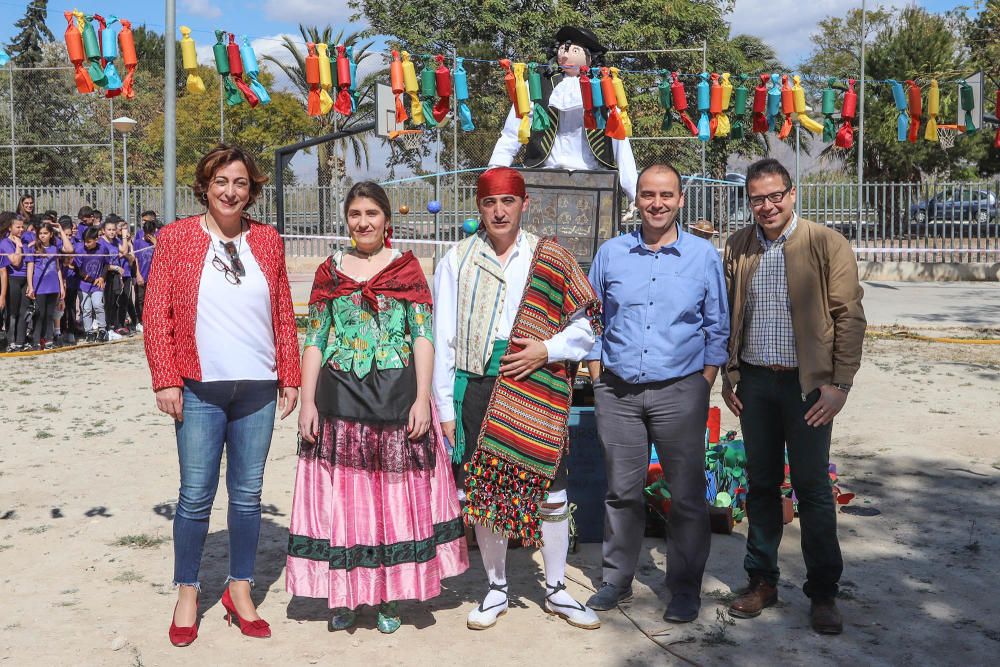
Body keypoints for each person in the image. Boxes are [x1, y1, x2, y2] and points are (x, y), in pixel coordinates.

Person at [287, 181, 468, 634]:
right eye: (355, 214)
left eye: (371, 213)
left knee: (390, 504)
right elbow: (315, 339)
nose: (363, 222)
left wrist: (423, 397)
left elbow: (422, 336)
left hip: (394, 399)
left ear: (387, 218)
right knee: (345, 504)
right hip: (339, 400)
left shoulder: (407, 269)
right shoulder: (329, 271)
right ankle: (346, 596)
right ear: (345, 219)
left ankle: (388, 595)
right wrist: (308, 400)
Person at [143, 144, 301, 647]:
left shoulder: (269, 240)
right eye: (221, 182)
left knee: (249, 496)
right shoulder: (177, 237)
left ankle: (240, 588)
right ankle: (188, 591)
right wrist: (166, 377)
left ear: (251, 189)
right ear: (205, 187)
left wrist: (290, 375)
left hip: (257, 386)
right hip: (197, 387)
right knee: (194, 496)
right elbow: (157, 313)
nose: (231, 191)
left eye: (240, 183)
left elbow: (281, 310)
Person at [433, 167, 603, 631]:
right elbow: (443, 336)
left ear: (524, 204)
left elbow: (587, 324)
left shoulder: (550, 257)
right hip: (478, 385)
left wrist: (545, 350)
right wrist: (445, 407)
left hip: (538, 385)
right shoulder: (456, 260)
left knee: (551, 487)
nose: (499, 210)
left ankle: (556, 589)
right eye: (490, 202)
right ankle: (496, 588)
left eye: (508, 201)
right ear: (479, 207)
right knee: (487, 492)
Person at [721, 158, 866, 635]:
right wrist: (731, 375)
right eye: (757, 198)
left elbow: (850, 317)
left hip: (808, 389)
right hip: (757, 385)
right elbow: (730, 317)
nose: (767, 205)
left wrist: (838, 384)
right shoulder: (740, 246)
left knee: (813, 488)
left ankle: (823, 592)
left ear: (792, 193)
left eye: (774, 195)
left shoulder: (826, 243)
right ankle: (762, 581)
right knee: (760, 486)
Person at [584, 164, 729, 623]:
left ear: (681, 200)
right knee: (621, 492)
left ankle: (684, 588)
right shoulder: (611, 253)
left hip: (680, 392)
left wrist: (702, 382)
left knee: (685, 496)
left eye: (666, 195)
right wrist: (595, 373)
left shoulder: (702, 257)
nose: (657, 203)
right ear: (637, 200)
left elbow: (716, 325)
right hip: (618, 392)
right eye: (648, 194)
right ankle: (617, 580)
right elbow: (591, 318)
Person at [488, 26, 638, 205]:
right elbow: (513, 131)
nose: (565, 55)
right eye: (562, 49)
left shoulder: (604, 88)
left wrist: (633, 194)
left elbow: (620, 140)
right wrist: (495, 170)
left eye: (574, 50)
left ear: (591, 57)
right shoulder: (538, 83)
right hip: (543, 177)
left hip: (593, 179)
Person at [25, 222, 67, 351]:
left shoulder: (54, 249)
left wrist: (61, 286)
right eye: (40, 234)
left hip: (53, 286)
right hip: (39, 287)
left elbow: (58, 268)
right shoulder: (34, 248)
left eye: (45, 233)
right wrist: (30, 286)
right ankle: (36, 340)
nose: (43, 236)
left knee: (50, 315)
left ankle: (49, 340)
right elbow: (30, 268)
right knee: (39, 314)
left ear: (51, 234)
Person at [74, 227, 109, 342]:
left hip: (97, 284)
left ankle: (102, 330)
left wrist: (102, 277)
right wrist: (90, 279)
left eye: (89, 241)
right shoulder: (80, 250)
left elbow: (106, 264)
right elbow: (77, 269)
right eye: (85, 241)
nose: (86, 244)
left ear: (96, 239)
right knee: (86, 308)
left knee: (98, 305)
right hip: (83, 284)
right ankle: (89, 331)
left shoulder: (103, 249)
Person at [1, 213, 29, 351]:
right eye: (18, 227)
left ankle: (20, 341)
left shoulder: (24, 242)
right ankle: (10, 341)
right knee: (13, 312)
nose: (21, 230)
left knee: (24, 311)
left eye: (22, 227)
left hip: (26, 280)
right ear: (10, 228)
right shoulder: (5, 243)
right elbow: (16, 262)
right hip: (13, 279)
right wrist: (18, 246)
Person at [100, 217, 127, 339]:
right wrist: (116, 268)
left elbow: (124, 251)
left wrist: (124, 236)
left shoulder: (116, 240)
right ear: (103, 230)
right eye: (109, 229)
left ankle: (114, 325)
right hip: (105, 274)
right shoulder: (101, 242)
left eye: (113, 230)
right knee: (106, 301)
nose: (111, 232)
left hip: (115, 275)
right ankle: (106, 327)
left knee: (114, 301)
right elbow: (103, 263)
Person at [132, 218, 157, 329]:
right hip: (142, 274)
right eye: (147, 234)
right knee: (140, 298)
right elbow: (135, 259)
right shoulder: (137, 243)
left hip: (154, 276)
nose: (148, 236)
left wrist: (156, 243)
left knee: (152, 299)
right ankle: (140, 321)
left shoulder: (157, 241)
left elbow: (164, 254)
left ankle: (151, 319)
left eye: (150, 234)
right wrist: (138, 274)